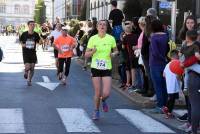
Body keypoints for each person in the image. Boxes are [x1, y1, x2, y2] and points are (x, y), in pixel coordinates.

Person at [85, 20, 118, 120]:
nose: (102, 26)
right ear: (97, 27)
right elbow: (86, 54)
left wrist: (113, 54)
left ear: (107, 27)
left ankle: (102, 100)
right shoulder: (92, 39)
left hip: (107, 67)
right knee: (97, 92)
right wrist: (92, 52)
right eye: (100, 24)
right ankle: (96, 111)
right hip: (95, 67)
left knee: (107, 93)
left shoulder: (111, 38)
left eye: (104, 25)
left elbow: (116, 50)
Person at [177, 15, 197, 126]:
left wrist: (184, 64)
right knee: (187, 96)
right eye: (188, 22)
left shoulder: (197, 37)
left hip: (193, 70)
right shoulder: (185, 37)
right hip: (185, 70)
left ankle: (193, 123)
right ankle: (189, 120)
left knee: (192, 98)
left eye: (192, 23)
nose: (190, 25)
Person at [149, 19, 169, 113]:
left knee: (158, 85)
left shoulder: (153, 37)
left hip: (155, 63)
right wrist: (165, 58)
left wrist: (162, 58)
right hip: (164, 64)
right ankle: (165, 105)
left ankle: (160, 105)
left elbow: (155, 52)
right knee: (164, 85)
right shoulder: (166, 36)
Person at [19, 20, 40, 86]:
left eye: (33, 24)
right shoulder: (24, 34)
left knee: (32, 68)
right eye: (31, 24)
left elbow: (39, 42)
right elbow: (21, 42)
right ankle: (26, 71)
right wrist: (24, 45)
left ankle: (29, 80)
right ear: (28, 26)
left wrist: (41, 41)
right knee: (28, 67)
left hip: (33, 52)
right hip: (26, 52)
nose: (32, 26)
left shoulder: (36, 34)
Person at [162, 50, 181, 119]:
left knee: (171, 99)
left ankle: (168, 113)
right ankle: (166, 109)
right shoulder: (178, 64)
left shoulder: (167, 64)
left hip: (169, 85)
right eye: (178, 56)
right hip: (175, 85)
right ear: (177, 56)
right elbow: (178, 76)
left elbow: (164, 75)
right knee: (171, 100)